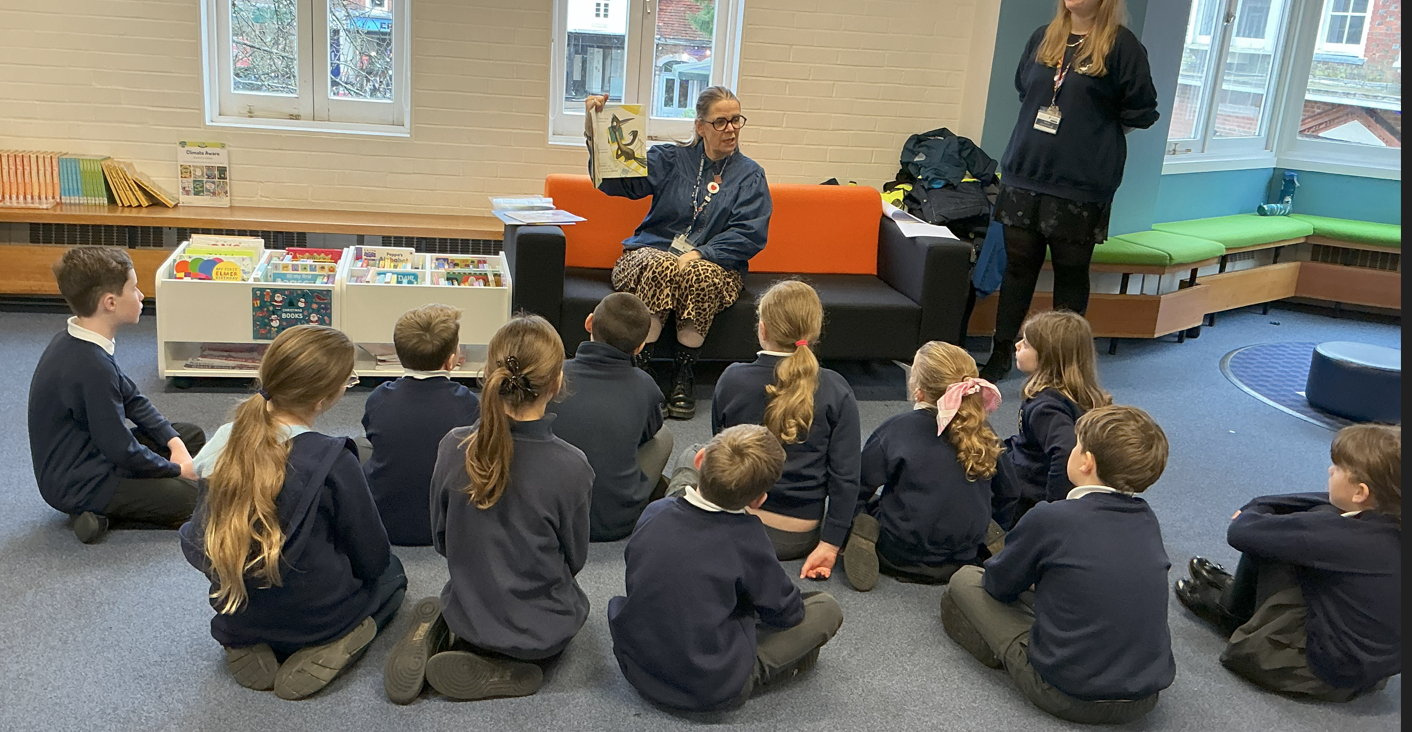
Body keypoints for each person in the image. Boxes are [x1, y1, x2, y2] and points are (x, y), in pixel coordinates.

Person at [179, 325, 407, 700]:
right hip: (318, 618)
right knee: (393, 577)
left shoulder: (224, 440)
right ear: (324, 399)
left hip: (238, 609)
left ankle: (246, 642)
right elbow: (372, 553)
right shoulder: (334, 458)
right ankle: (338, 642)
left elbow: (202, 528)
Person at [384, 314, 593, 704]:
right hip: (543, 637)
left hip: (469, 616)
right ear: (557, 382)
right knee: (574, 603)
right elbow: (576, 557)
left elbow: (441, 540)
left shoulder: (453, 446)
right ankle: (509, 666)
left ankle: (451, 634)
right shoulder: (572, 466)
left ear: (488, 374)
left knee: (462, 590)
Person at [941, 405, 1174, 724]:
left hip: (1066, 693)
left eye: (1076, 444)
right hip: (1145, 698)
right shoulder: (1148, 520)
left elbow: (998, 585)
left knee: (965, 580)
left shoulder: (1051, 517)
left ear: (1086, 462)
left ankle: (1004, 652)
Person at [980, 0, 1159, 381]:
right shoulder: (1042, 39)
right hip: (1025, 172)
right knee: (1018, 268)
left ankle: (1062, 367)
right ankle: (1000, 354)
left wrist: (1092, 135)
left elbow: (1141, 110)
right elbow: (1024, 91)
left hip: (1081, 183)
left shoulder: (1122, 46)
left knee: (1070, 273)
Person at [608, 424, 844, 712]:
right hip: (708, 686)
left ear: (701, 461)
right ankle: (772, 669)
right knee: (826, 608)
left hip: (636, 665)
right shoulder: (748, 538)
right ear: (758, 500)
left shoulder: (656, 511)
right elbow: (786, 612)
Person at [1175, 424, 1400, 702]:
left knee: (1278, 540)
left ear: (1360, 492)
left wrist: (1254, 509)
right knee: (1315, 516)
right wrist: (1262, 502)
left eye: (1338, 468)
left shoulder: (1343, 536)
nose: (1331, 471)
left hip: (1318, 673)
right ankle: (1238, 598)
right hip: (1369, 668)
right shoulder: (1388, 518)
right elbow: (1322, 501)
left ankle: (1232, 615)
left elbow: (1244, 533)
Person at [585, 86, 772, 419]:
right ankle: (642, 373)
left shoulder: (750, 175)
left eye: (736, 120)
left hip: (714, 264)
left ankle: (683, 376)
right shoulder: (670, 159)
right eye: (720, 122)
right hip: (649, 254)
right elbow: (618, 182)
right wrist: (594, 129)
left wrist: (701, 253)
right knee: (663, 265)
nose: (730, 129)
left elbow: (750, 234)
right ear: (700, 127)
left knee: (696, 274)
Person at [28, 245, 205, 544]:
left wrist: (173, 443)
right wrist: (176, 470)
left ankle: (111, 508)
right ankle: (92, 511)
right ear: (110, 302)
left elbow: (134, 399)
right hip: (81, 482)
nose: (141, 296)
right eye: (134, 289)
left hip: (94, 456)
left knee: (190, 436)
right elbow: (121, 448)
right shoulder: (91, 366)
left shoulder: (81, 341)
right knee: (198, 499)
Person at [711, 280, 861, 578]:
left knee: (693, 454)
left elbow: (721, 453)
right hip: (800, 537)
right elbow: (846, 477)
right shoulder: (836, 389)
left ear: (762, 329)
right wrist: (829, 545)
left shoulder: (732, 379)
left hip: (735, 526)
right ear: (814, 332)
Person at [841, 341, 1005, 592]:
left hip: (900, 553)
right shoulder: (986, 433)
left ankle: (864, 533)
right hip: (964, 555)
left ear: (918, 390)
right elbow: (1009, 491)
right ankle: (985, 534)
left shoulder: (896, 429)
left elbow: (858, 485)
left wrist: (848, 523)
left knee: (871, 506)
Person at [548, 292, 674, 542]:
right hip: (615, 523)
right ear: (640, 346)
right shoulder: (645, 386)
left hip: (551, 518)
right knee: (665, 436)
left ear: (589, 322)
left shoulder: (553, 374)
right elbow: (646, 435)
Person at [359, 304, 480, 546]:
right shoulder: (467, 402)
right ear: (451, 360)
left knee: (358, 447)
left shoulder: (379, 398)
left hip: (384, 522)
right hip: (445, 525)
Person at [993, 311, 1111, 527]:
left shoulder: (1046, 407)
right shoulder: (1079, 395)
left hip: (1026, 493)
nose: (1017, 346)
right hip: (1029, 462)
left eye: (1026, 344)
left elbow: (1064, 451)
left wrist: (1053, 509)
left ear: (1048, 357)